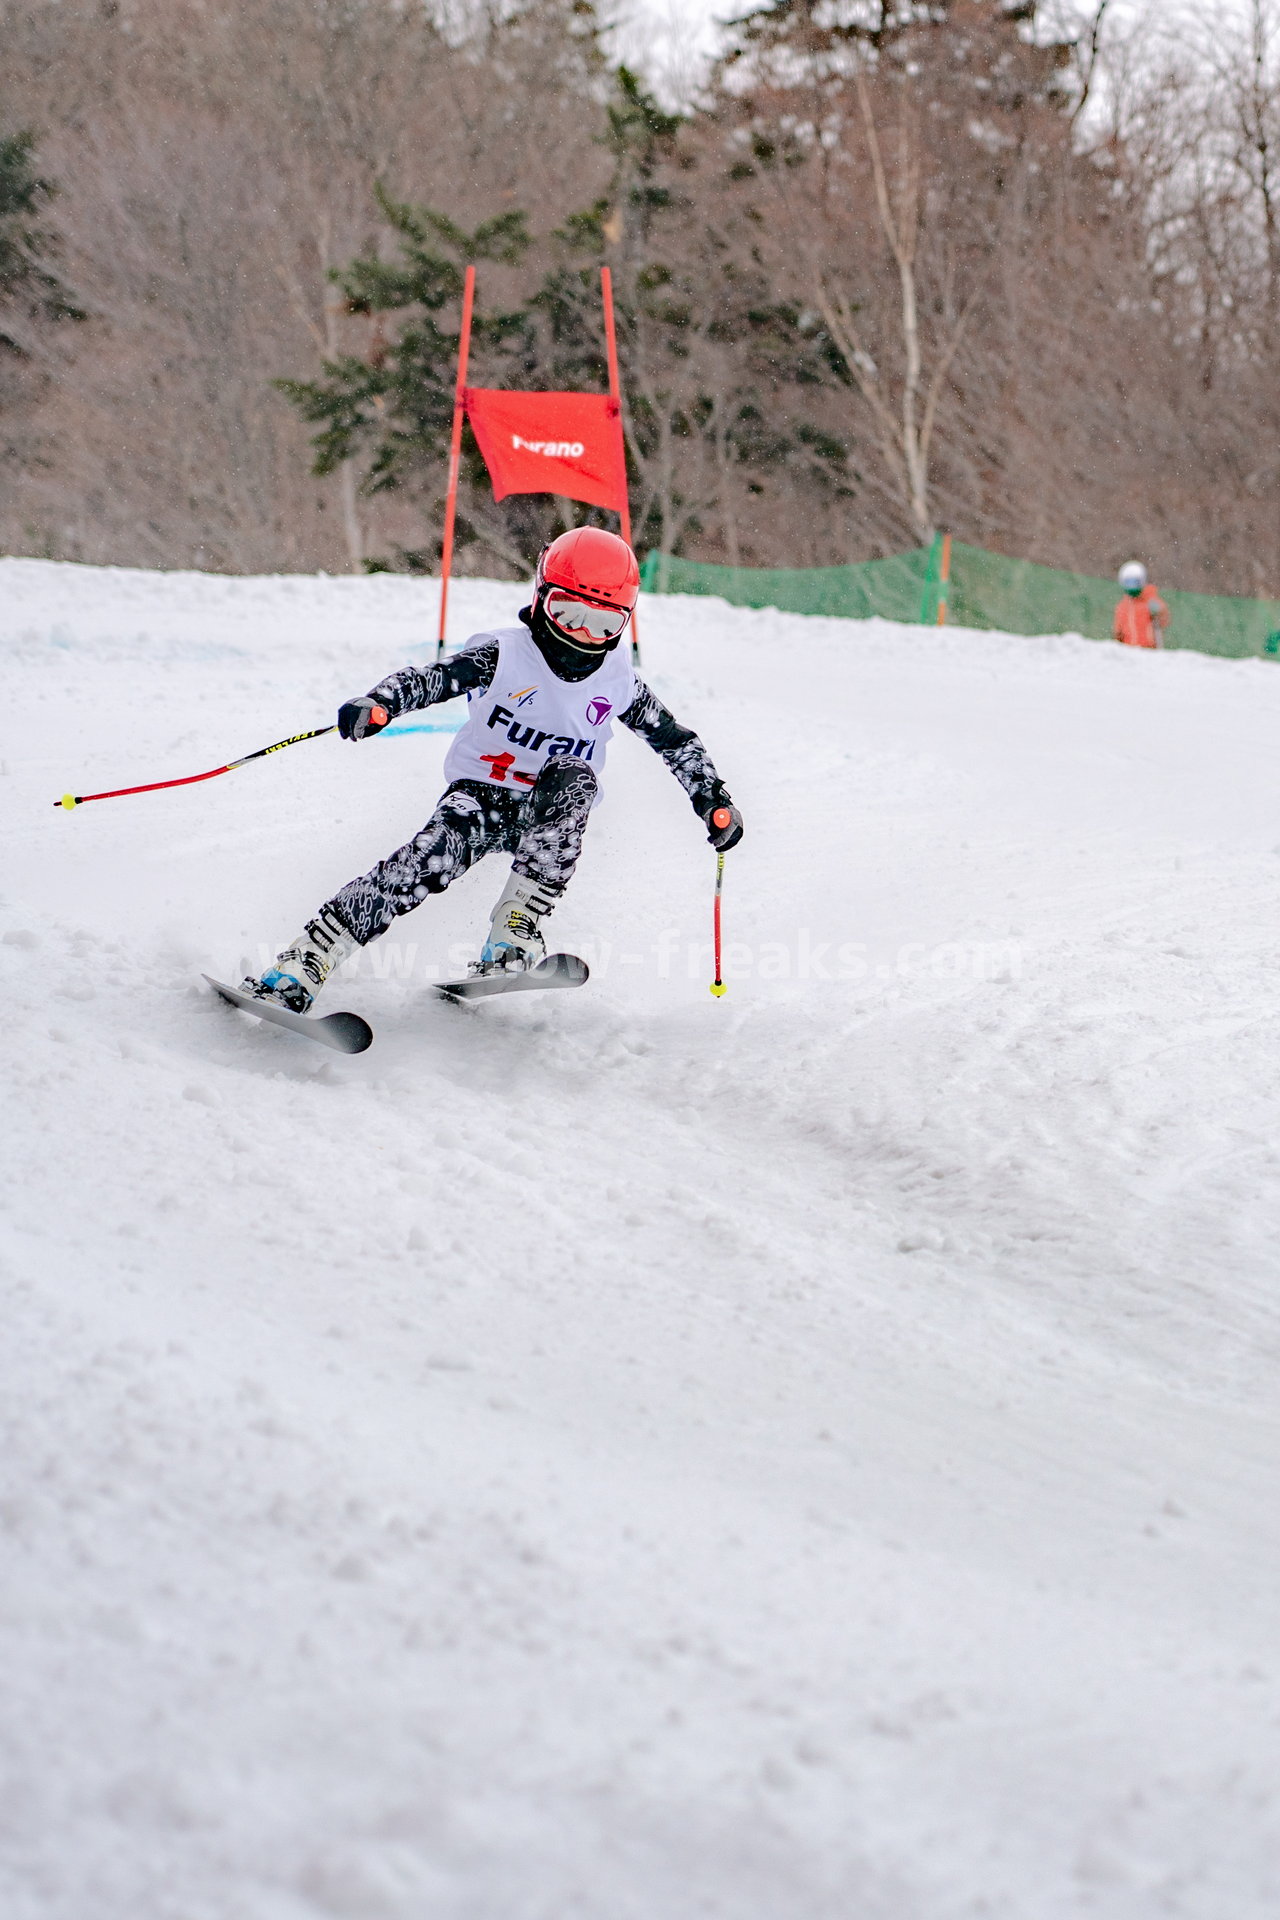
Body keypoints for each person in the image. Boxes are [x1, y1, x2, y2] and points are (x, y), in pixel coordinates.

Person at [239, 527, 744, 1011]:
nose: (583, 636)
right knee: (419, 866)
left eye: (605, 623)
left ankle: (513, 933)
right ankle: (302, 965)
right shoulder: (504, 655)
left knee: (576, 780)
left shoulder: (618, 681)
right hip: (480, 798)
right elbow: (433, 679)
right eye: (567, 614)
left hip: (549, 812)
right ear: (542, 597)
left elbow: (674, 740)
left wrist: (713, 799)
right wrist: (380, 703)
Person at [1113, 561, 1170, 650]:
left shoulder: (1150, 600)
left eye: (1135, 582)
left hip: (1148, 650)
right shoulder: (1122, 606)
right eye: (1128, 582)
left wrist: (1159, 611)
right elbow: (1118, 631)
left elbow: (1164, 620)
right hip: (1128, 650)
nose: (1132, 586)